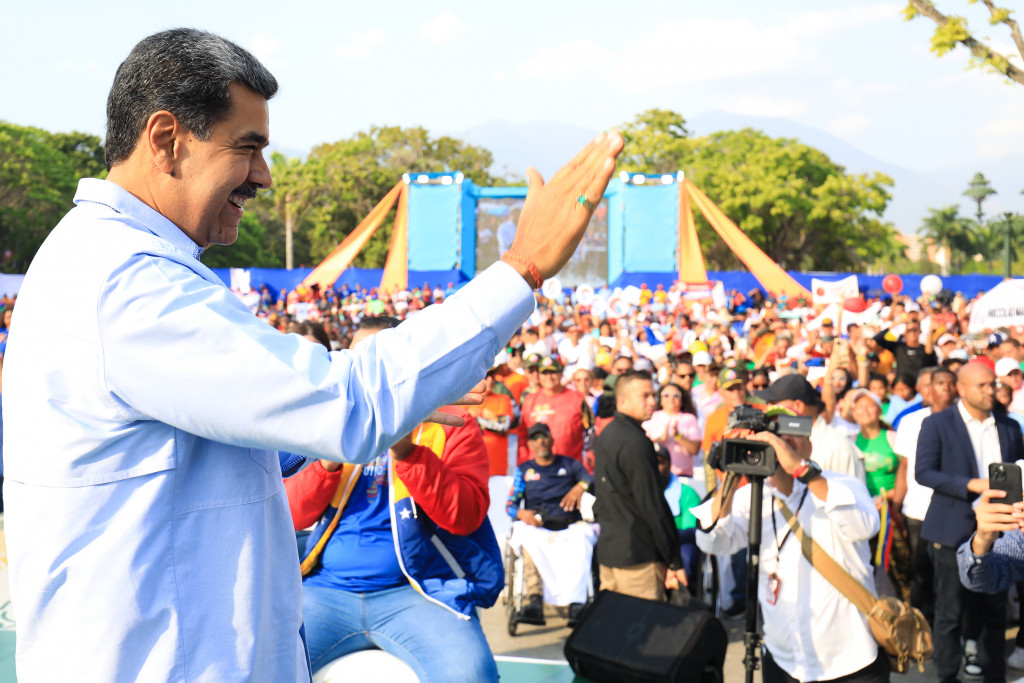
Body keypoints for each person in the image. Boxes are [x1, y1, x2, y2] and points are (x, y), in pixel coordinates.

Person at [1, 28, 624, 682]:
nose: (264, 176)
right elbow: (345, 408)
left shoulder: (122, 266)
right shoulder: (124, 282)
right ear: (165, 139)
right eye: (248, 147)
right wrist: (521, 268)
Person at [285, 318, 499, 680]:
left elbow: (466, 517)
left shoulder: (452, 423)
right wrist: (331, 453)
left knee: (472, 676)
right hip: (327, 591)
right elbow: (292, 514)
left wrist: (406, 450)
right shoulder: (326, 420)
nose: (366, 376)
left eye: (378, 364)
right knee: (256, 668)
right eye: (358, 363)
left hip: (417, 591)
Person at [693, 417, 886, 682]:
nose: (778, 444)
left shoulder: (840, 484)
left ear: (808, 445)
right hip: (784, 659)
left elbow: (864, 527)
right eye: (770, 438)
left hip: (849, 661)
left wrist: (799, 469)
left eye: (787, 438)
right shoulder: (752, 496)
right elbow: (712, 542)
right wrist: (729, 476)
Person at [917, 361, 1023, 683]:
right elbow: (924, 472)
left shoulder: (1009, 425)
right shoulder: (936, 424)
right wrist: (973, 484)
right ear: (961, 389)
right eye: (983, 385)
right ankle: (948, 675)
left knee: (995, 611)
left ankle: (994, 674)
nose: (991, 390)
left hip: (1004, 530)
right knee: (950, 612)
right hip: (953, 528)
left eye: (993, 384)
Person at [593, 370, 686, 601]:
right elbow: (651, 503)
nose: (652, 401)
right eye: (644, 395)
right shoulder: (636, 441)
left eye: (653, 394)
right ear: (622, 400)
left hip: (610, 552)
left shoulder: (607, 433)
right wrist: (673, 559)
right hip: (638, 558)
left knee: (615, 630)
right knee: (644, 633)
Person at [505, 422, 595, 626]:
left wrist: (578, 489)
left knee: (583, 538)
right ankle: (534, 602)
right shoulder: (524, 471)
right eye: (535, 438)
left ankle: (577, 605)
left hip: (568, 525)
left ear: (552, 440)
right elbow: (510, 505)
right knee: (525, 536)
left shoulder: (570, 464)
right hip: (538, 526)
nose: (540, 441)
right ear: (529, 444)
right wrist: (521, 512)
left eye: (544, 437)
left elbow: (588, 478)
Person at [893, 366, 957, 625]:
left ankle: (950, 629)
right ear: (924, 389)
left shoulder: (965, 421)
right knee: (920, 574)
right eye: (935, 384)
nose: (941, 389)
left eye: (946, 383)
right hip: (917, 510)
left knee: (951, 576)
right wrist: (897, 504)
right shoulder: (910, 422)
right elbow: (905, 466)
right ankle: (922, 628)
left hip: (953, 511)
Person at [755, 373, 867, 483]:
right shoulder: (779, 441)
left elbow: (853, 498)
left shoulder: (839, 448)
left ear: (798, 406)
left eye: (773, 403)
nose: (768, 408)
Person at [518, 356, 587, 465]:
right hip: (538, 468)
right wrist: (523, 461)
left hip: (570, 466)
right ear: (539, 376)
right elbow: (522, 434)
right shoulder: (529, 400)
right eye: (545, 373)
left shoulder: (577, 398)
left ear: (560, 374)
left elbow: (590, 431)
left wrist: (589, 458)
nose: (549, 377)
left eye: (553, 372)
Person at [466, 365, 517, 477]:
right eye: (486, 376)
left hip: (496, 469)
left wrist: (475, 420)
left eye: (492, 376)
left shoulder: (503, 399)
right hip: (468, 468)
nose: (490, 380)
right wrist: (489, 419)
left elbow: (503, 426)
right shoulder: (462, 400)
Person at [643, 382, 701, 477]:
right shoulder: (652, 417)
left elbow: (695, 449)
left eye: (676, 395)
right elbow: (643, 446)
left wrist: (678, 436)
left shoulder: (690, 418)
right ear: (660, 399)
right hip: (658, 474)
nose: (671, 399)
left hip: (683, 474)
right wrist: (660, 439)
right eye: (666, 395)